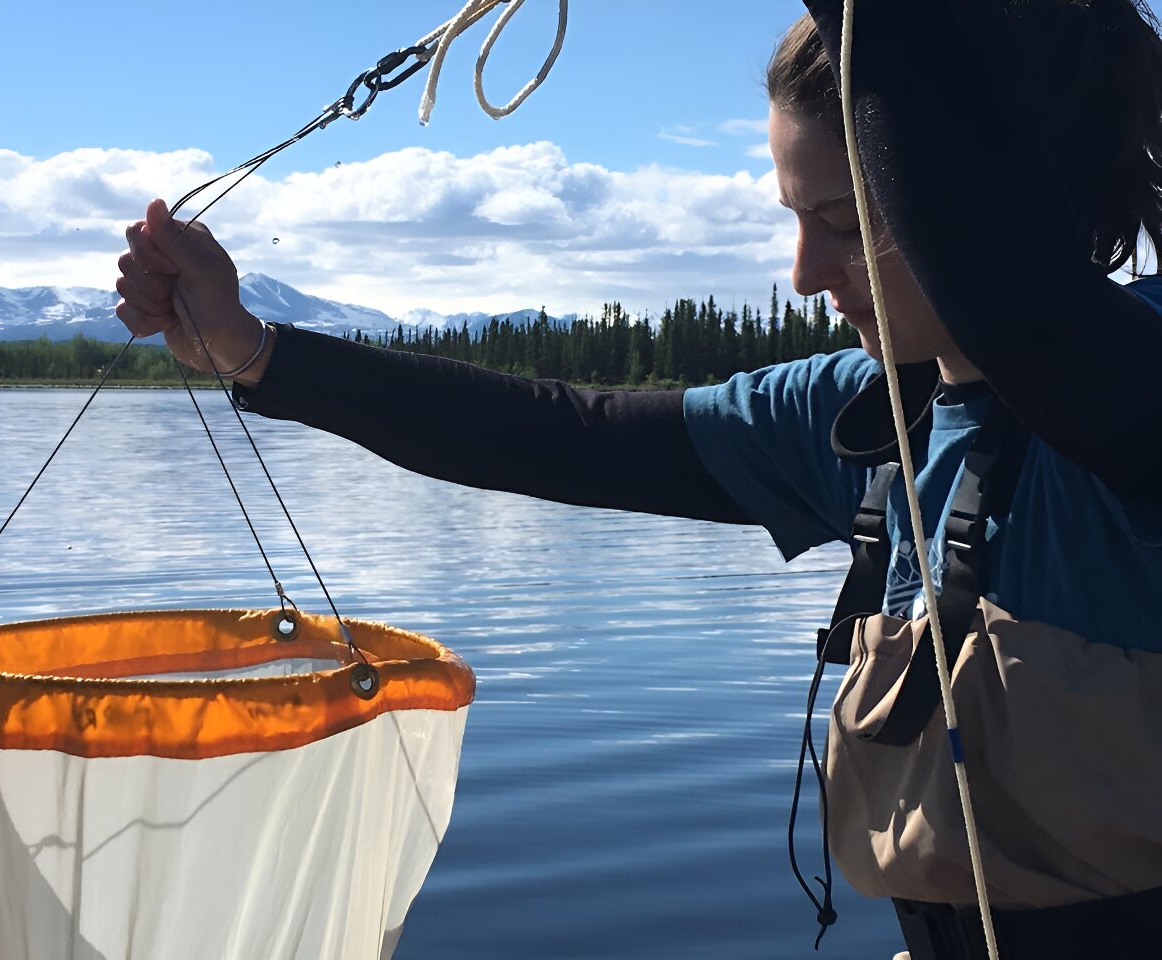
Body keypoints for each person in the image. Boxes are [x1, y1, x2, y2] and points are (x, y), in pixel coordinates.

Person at [116, 2, 1162, 956]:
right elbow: (562, 434)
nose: (802, 274)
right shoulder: (855, 416)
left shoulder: (1137, 393)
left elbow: (1027, 309)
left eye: (846, 224)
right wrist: (255, 352)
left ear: (985, 191)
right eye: (796, 222)